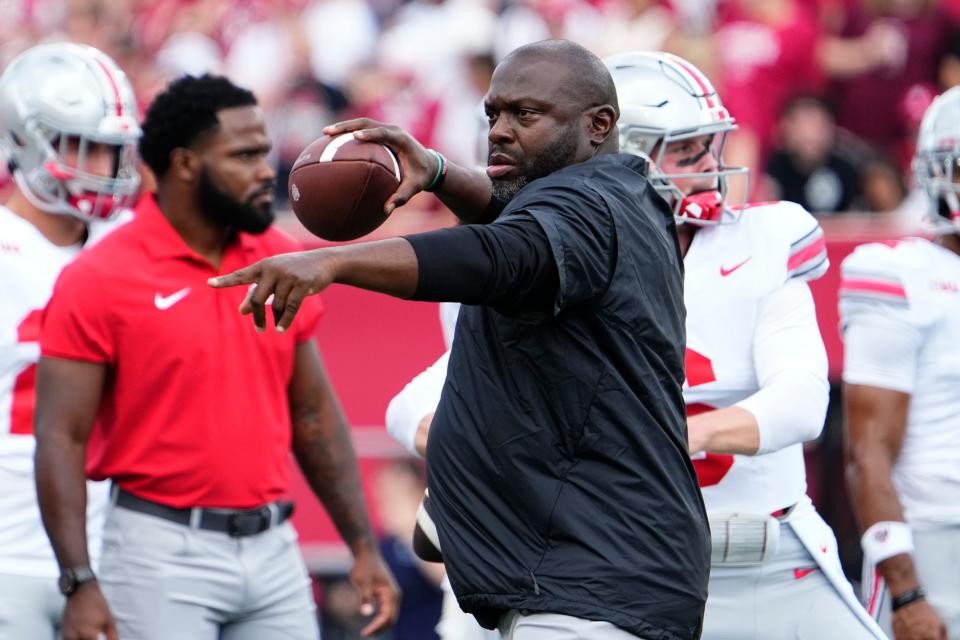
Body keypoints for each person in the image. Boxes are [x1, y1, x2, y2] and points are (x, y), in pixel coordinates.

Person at [210, 39, 710, 640]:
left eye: (525, 115)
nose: (499, 131)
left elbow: (503, 253)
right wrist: (440, 174)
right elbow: (516, 222)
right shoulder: (620, 192)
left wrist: (333, 264)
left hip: (588, 588)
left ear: (599, 124)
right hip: (598, 574)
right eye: (493, 113)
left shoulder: (588, 204)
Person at [33, 73, 399, 640]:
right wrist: (78, 580)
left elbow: (313, 415)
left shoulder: (282, 255)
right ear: (184, 165)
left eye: (265, 151)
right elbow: (60, 436)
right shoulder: (98, 278)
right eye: (244, 155)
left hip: (276, 546)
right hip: (157, 553)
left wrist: (361, 546)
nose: (265, 171)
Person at [604, 51, 886, 640]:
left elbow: (803, 403)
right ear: (622, 156)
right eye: (687, 151)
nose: (712, 166)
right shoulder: (567, 259)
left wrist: (683, 433)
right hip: (631, 563)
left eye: (712, 145)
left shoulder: (763, 238)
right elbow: (421, 404)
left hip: (774, 552)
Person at [0, 42, 141, 640]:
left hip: (119, 550)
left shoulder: (130, 242)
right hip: (10, 550)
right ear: (28, 142)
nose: (104, 168)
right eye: (85, 146)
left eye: (112, 150)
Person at [841, 85, 960, 640]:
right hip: (933, 536)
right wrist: (907, 591)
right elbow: (868, 452)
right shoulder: (901, 274)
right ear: (940, 174)